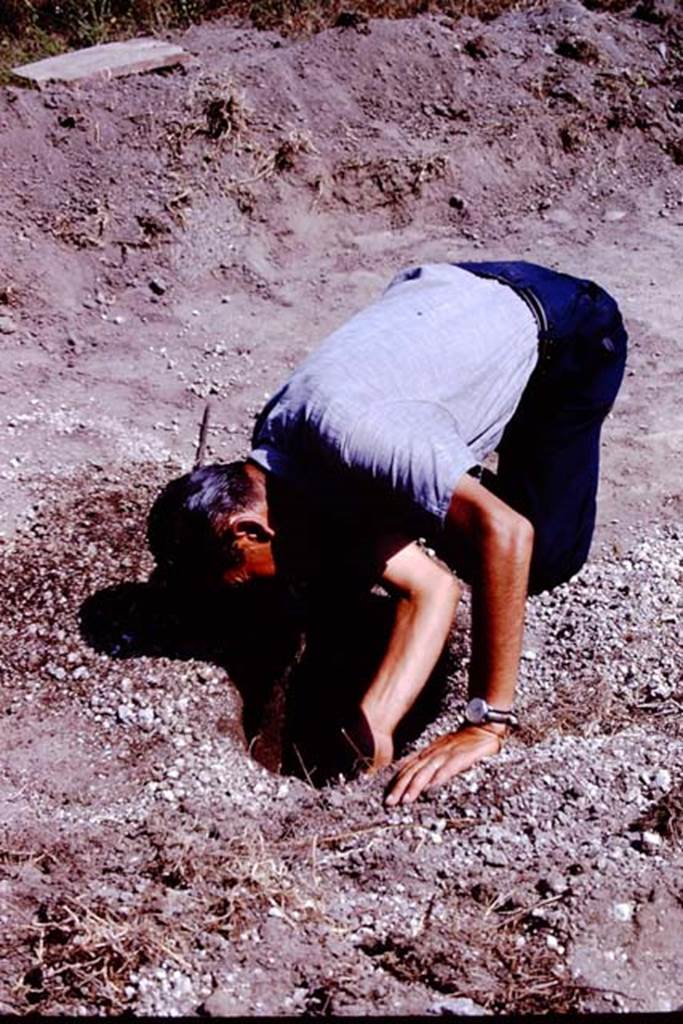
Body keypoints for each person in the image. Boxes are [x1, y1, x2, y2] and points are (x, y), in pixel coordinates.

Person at [148, 260, 627, 805]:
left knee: (538, 555)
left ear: (249, 529)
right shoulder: (279, 453)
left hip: (566, 329)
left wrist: (485, 723)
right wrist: (375, 720)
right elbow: (432, 586)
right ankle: (448, 477)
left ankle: (454, 482)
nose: (264, 587)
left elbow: (508, 531)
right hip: (454, 303)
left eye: (245, 579)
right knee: (356, 541)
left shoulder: (359, 437)